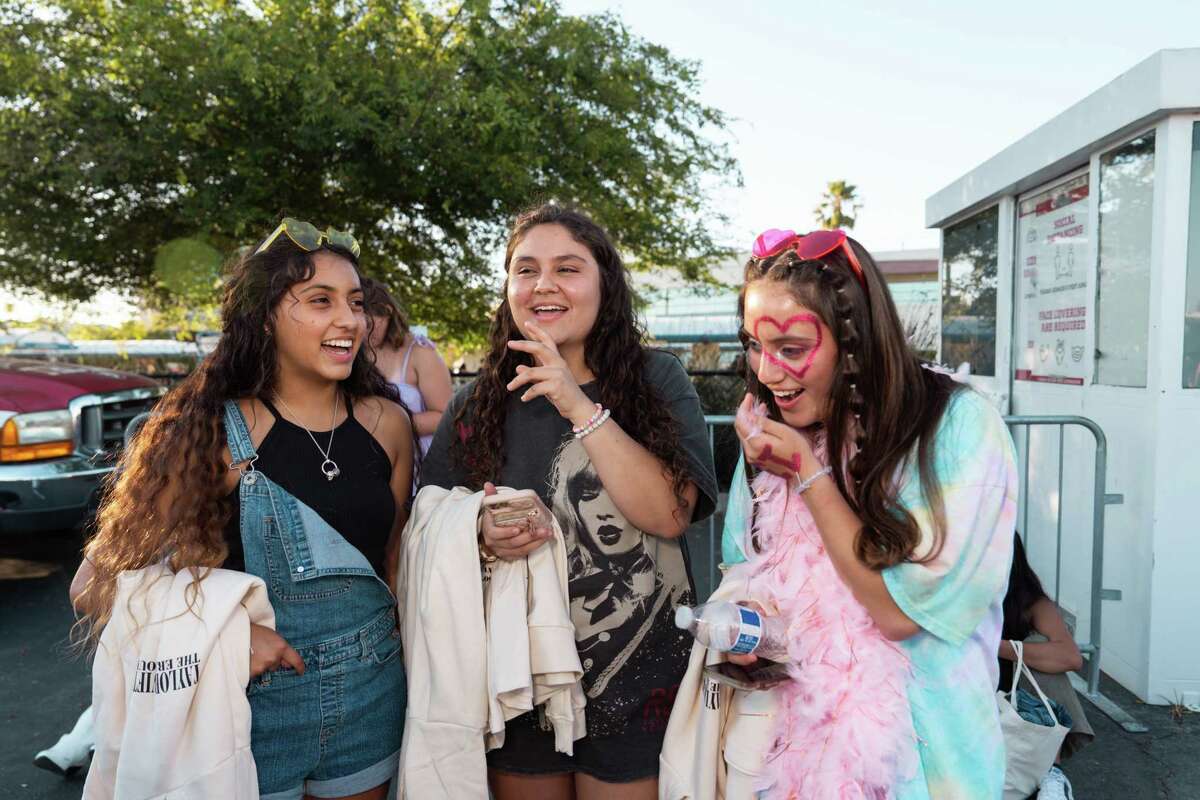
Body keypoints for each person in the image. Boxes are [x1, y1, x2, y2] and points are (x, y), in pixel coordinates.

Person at [70, 218, 414, 800]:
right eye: (319, 301)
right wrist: (230, 636)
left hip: (374, 698)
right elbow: (92, 586)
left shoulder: (389, 425)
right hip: (246, 711)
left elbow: (394, 565)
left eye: (356, 303)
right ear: (263, 316)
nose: (348, 320)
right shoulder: (209, 431)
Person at [419, 203, 718, 800]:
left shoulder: (658, 381)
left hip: (643, 684)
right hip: (520, 684)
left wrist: (577, 403)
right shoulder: (477, 403)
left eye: (568, 268)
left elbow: (670, 513)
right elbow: (428, 524)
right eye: (525, 270)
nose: (544, 285)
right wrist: (479, 533)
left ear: (604, 284)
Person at [719, 228, 1018, 797]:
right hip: (794, 761)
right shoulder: (770, 438)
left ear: (852, 338)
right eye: (755, 346)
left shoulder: (957, 430)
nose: (768, 373)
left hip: (927, 768)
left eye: (790, 348)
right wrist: (751, 623)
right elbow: (742, 569)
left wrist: (810, 477)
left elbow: (900, 614)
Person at [1000, 533, 1094, 800]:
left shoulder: (1028, 600)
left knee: (1042, 647)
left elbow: (1070, 657)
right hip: (969, 695)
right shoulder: (953, 593)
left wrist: (995, 646)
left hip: (1020, 702)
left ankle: (1052, 771)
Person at [363, 277, 452, 456]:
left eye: (369, 324)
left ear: (387, 313)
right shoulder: (351, 353)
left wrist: (384, 427)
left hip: (417, 458)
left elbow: (445, 415)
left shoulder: (420, 351)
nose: (364, 332)